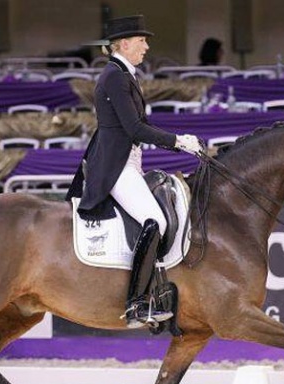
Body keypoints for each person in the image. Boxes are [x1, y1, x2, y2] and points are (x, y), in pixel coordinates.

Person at [65, 15, 201, 329]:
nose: (147, 47)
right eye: (142, 41)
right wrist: (178, 142)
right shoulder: (114, 76)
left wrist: (179, 140)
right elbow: (134, 128)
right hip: (115, 167)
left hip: (129, 163)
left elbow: (139, 127)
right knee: (155, 220)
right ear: (124, 44)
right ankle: (137, 302)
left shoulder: (126, 74)